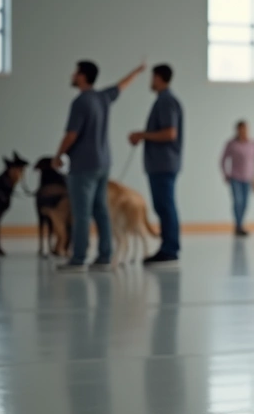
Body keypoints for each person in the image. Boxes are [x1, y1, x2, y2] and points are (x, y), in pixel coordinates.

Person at [53, 60, 147, 272]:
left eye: (76, 73)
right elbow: (122, 85)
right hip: (103, 163)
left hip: (83, 165)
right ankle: (105, 255)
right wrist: (137, 70)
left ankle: (78, 258)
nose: (73, 76)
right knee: (101, 210)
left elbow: (71, 134)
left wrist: (58, 156)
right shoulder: (103, 97)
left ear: (83, 76)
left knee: (81, 213)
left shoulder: (80, 102)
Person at [130, 64, 183, 267]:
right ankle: (169, 247)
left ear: (159, 78)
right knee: (163, 206)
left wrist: (142, 135)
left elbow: (170, 133)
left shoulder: (166, 102)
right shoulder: (163, 101)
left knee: (165, 206)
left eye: (152, 78)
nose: (150, 82)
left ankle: (169, 249)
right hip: (161, 163)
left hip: (164, 163)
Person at [219, 120, 254, 236]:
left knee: (245, 203)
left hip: (249, 178)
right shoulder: (231, 144)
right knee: (237, 201)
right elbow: (223, 160)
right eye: (241, 129)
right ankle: (238, 226)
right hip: (235, 178)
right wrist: (225, 174)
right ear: (237, 130)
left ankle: (240, 224)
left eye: (245, 129)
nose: (243, 131)